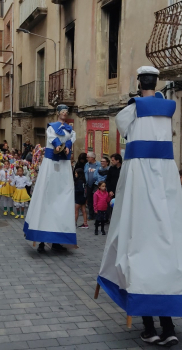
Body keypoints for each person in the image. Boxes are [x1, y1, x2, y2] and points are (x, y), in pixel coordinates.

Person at [97, 66, 181, 347]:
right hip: (166, 182)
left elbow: (122, 127)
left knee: (136, 245)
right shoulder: (169, 107)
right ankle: (168, 327)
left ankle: (150, 327)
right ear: (156, 82)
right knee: (166, 247)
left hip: (140, 182)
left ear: (139, 82)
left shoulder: (132, 109)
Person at [24, 104, 76, 253]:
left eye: (67, 112)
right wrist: (59, 146)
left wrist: (68, 145)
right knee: (45, 198)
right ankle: (41, 239)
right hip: (51, 165)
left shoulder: (70, 129)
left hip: (64, 165)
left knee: (62, 200)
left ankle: (58, 240)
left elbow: (72, 137)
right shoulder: (52, 127)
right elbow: (53, 139)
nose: (65, 114)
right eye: (63, 112)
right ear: (58, 113)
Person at [84, 152, 101, 220]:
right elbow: (85, 173)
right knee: (89, 200)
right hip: (88, 184)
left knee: (96, 200)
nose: (87, 158)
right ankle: (91, 214)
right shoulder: (87, 164)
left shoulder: (98, 164)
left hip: (96, 184)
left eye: (88, 157)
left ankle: (97, 214)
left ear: (92, 158)